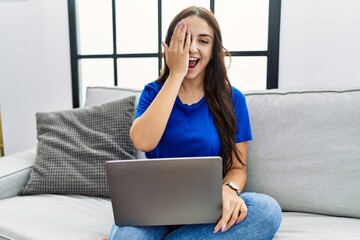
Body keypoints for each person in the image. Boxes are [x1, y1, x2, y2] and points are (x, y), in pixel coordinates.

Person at [105, 6, 282, 240]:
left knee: (267, 210)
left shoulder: (233, 98)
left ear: (214, 50)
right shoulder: (153, 92)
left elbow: (238, 168)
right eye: (184, 39)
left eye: (203, 41)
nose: (192, 48)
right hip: (153, 209)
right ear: (168, 48)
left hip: (209, 208)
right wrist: (176, 75)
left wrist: (229, 191)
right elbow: (143, 142)